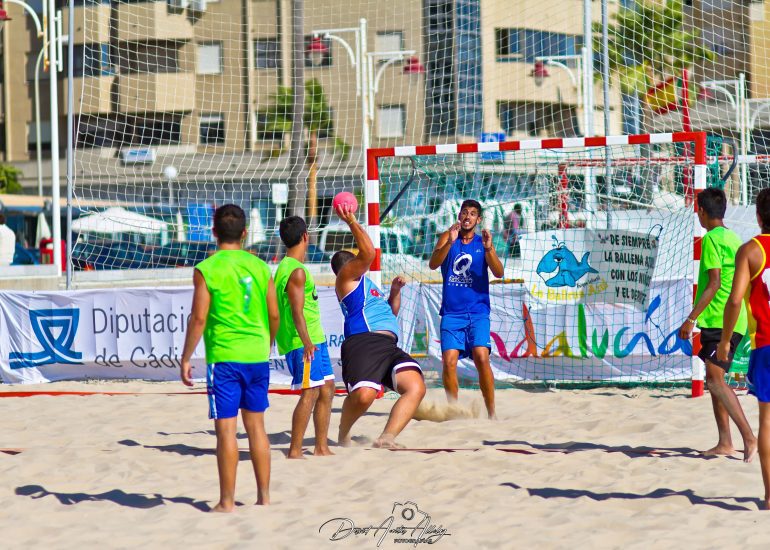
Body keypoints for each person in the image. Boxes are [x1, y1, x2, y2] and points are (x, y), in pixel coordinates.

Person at [180, 204, 279, 512]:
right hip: (256, 355)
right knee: (257, 428)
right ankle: (264, 497)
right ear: (245, 233)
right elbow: (274, 313)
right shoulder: (261, 267)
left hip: (224, 357)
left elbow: (198, 317)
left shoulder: (207, 268)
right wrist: (268, 341)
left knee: (226, 430)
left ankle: (226, 502)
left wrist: (185, 357)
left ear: (213, 233)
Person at [331, 202, 426, 449]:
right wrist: (351, 221)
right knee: (364, 396)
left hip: (388, 343)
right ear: (348, 266)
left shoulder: (367, 285)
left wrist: (394, 292)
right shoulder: (346, 279)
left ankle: (386, 437)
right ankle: (343, 432)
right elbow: (369, 253)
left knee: (415, 387)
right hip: (363, 342)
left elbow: (390, 312)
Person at [679, 187, 756, 461]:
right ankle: (725, 442)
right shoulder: (734, 238)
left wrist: (691, 318)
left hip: (719, 318)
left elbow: (714, 284)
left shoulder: (711, 239)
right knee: (715, 379)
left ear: (701, 211)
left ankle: (749, 437)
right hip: (733, 319)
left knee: (714, 380)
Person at [718, 188, 770, 509]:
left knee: (767, 422)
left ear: (758, 216)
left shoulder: (751, 250)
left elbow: (735, 299)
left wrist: (725, 340)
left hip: (767, 344)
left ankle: (769, 496)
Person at [428, 199, 504, 419]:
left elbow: (499, 272)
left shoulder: (483, 242)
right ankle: (454, 410)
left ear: (478, 220)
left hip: (478, 312)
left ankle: (491, 413)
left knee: (481, 356)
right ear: (459, 216)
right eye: (464, 213)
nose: (468, 217)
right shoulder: (448, 236)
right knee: (449, 361)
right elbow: (433, 264)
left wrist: (489, 249)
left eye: (472, 214)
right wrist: (450, 243)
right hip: (452, 313)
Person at [275, 215, 335, 459]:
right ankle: (295, 450)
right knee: (309, 392)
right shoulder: (295, 272)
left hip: (313, 339)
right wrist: (308, 342)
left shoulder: (284, 267)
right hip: (304, 342)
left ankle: (321, 447)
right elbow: (297, 312)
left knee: (327, 388)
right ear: (305, 237)